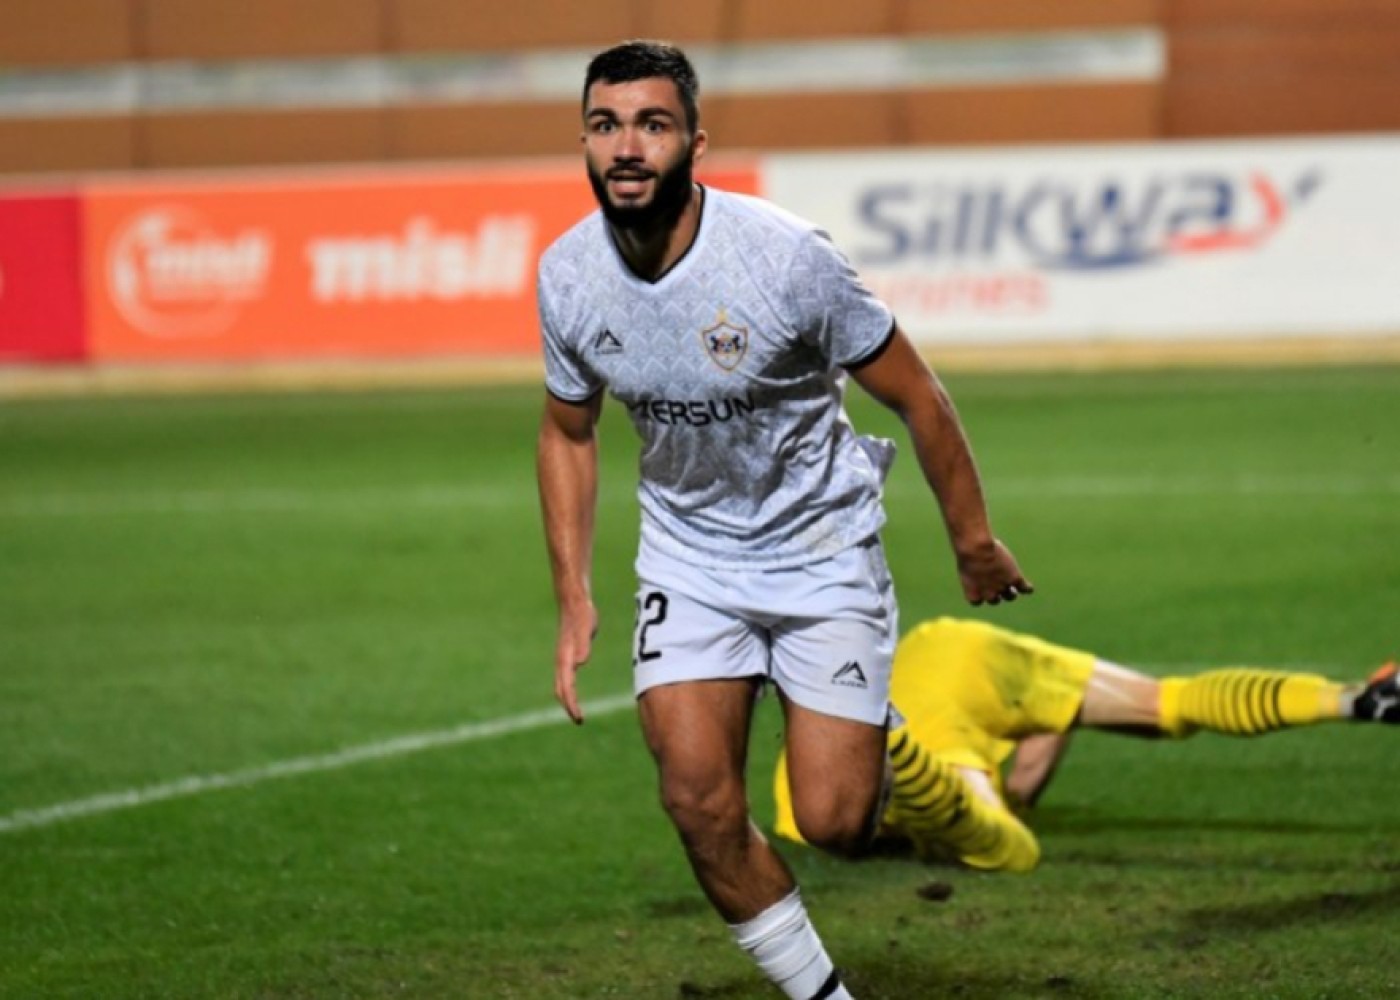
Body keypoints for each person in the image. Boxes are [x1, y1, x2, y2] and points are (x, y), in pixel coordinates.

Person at [534, 41, 1031, 1000]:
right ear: (585, 142)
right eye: (605, 125)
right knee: (696, 801)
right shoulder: (567, 274)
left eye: (651, 125)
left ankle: (878, 733)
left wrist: (974, 542)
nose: (626, 147)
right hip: (689, 559)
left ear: (695, 145)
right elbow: (567, 430)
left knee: (835, 821)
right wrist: (573, 594)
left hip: (819, 548)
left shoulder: (786, 259)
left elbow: (918, 396)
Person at [772, 616, 1400, 872]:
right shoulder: (802, 784)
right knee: (1166, 702)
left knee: (1001, 844)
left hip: (897, 729)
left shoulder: (801, 803)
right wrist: (1049, 719)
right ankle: (1357, 699)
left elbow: (984, 841)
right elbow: (1049, 729)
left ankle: (901, 747)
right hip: (949, 647)